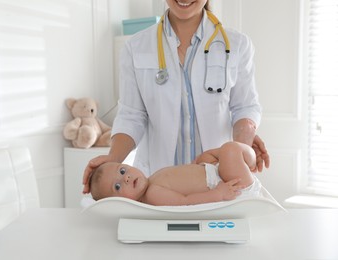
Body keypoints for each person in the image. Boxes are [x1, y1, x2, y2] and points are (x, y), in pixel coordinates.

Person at [83, 0, 270, 194]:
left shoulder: (238, 45)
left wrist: (241, 147)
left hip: (219, 184)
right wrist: (113, 159)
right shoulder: (136, 47)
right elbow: (131, 115)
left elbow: (245, 108)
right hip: (157, 185)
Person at [89, 141, 261, 206]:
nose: (125, 177)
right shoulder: (153, 194)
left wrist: (201, 164)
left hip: (215, 173)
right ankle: (249, 161)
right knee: (230, 149)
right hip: (227, 185)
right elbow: (184, 201)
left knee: (216, 152)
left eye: (122, 170)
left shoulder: (151, 181)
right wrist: (218, 194)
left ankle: (247, 160)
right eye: (117, 186)